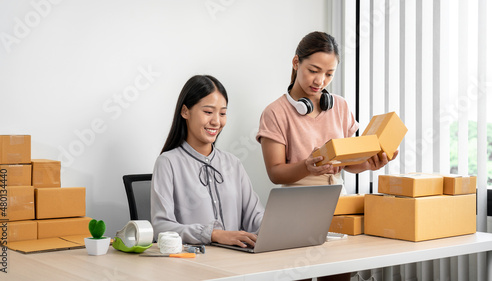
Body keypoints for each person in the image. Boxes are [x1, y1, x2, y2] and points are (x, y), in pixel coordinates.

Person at [256, 31, 397, 281]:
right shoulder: (274, 113)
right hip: (295, 206)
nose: (320, 80)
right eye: (314, 70)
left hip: (336, 202)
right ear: (296, 62)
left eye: (329, 74)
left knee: (338, 275)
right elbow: (275, 172)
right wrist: (307, 167)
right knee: (295, 274)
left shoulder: (340, 106)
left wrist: (368, 163)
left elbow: (348, 163)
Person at [151, 75, 264, 248]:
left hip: (236, 261)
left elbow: (255, 217)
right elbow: (161, 228)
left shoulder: (233, 164)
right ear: (185, 112)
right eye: (208, 112)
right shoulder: (168, 163)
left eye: (223, 113)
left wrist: (280, 228)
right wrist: (213, 234)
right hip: (193, 263)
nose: (216, 121)